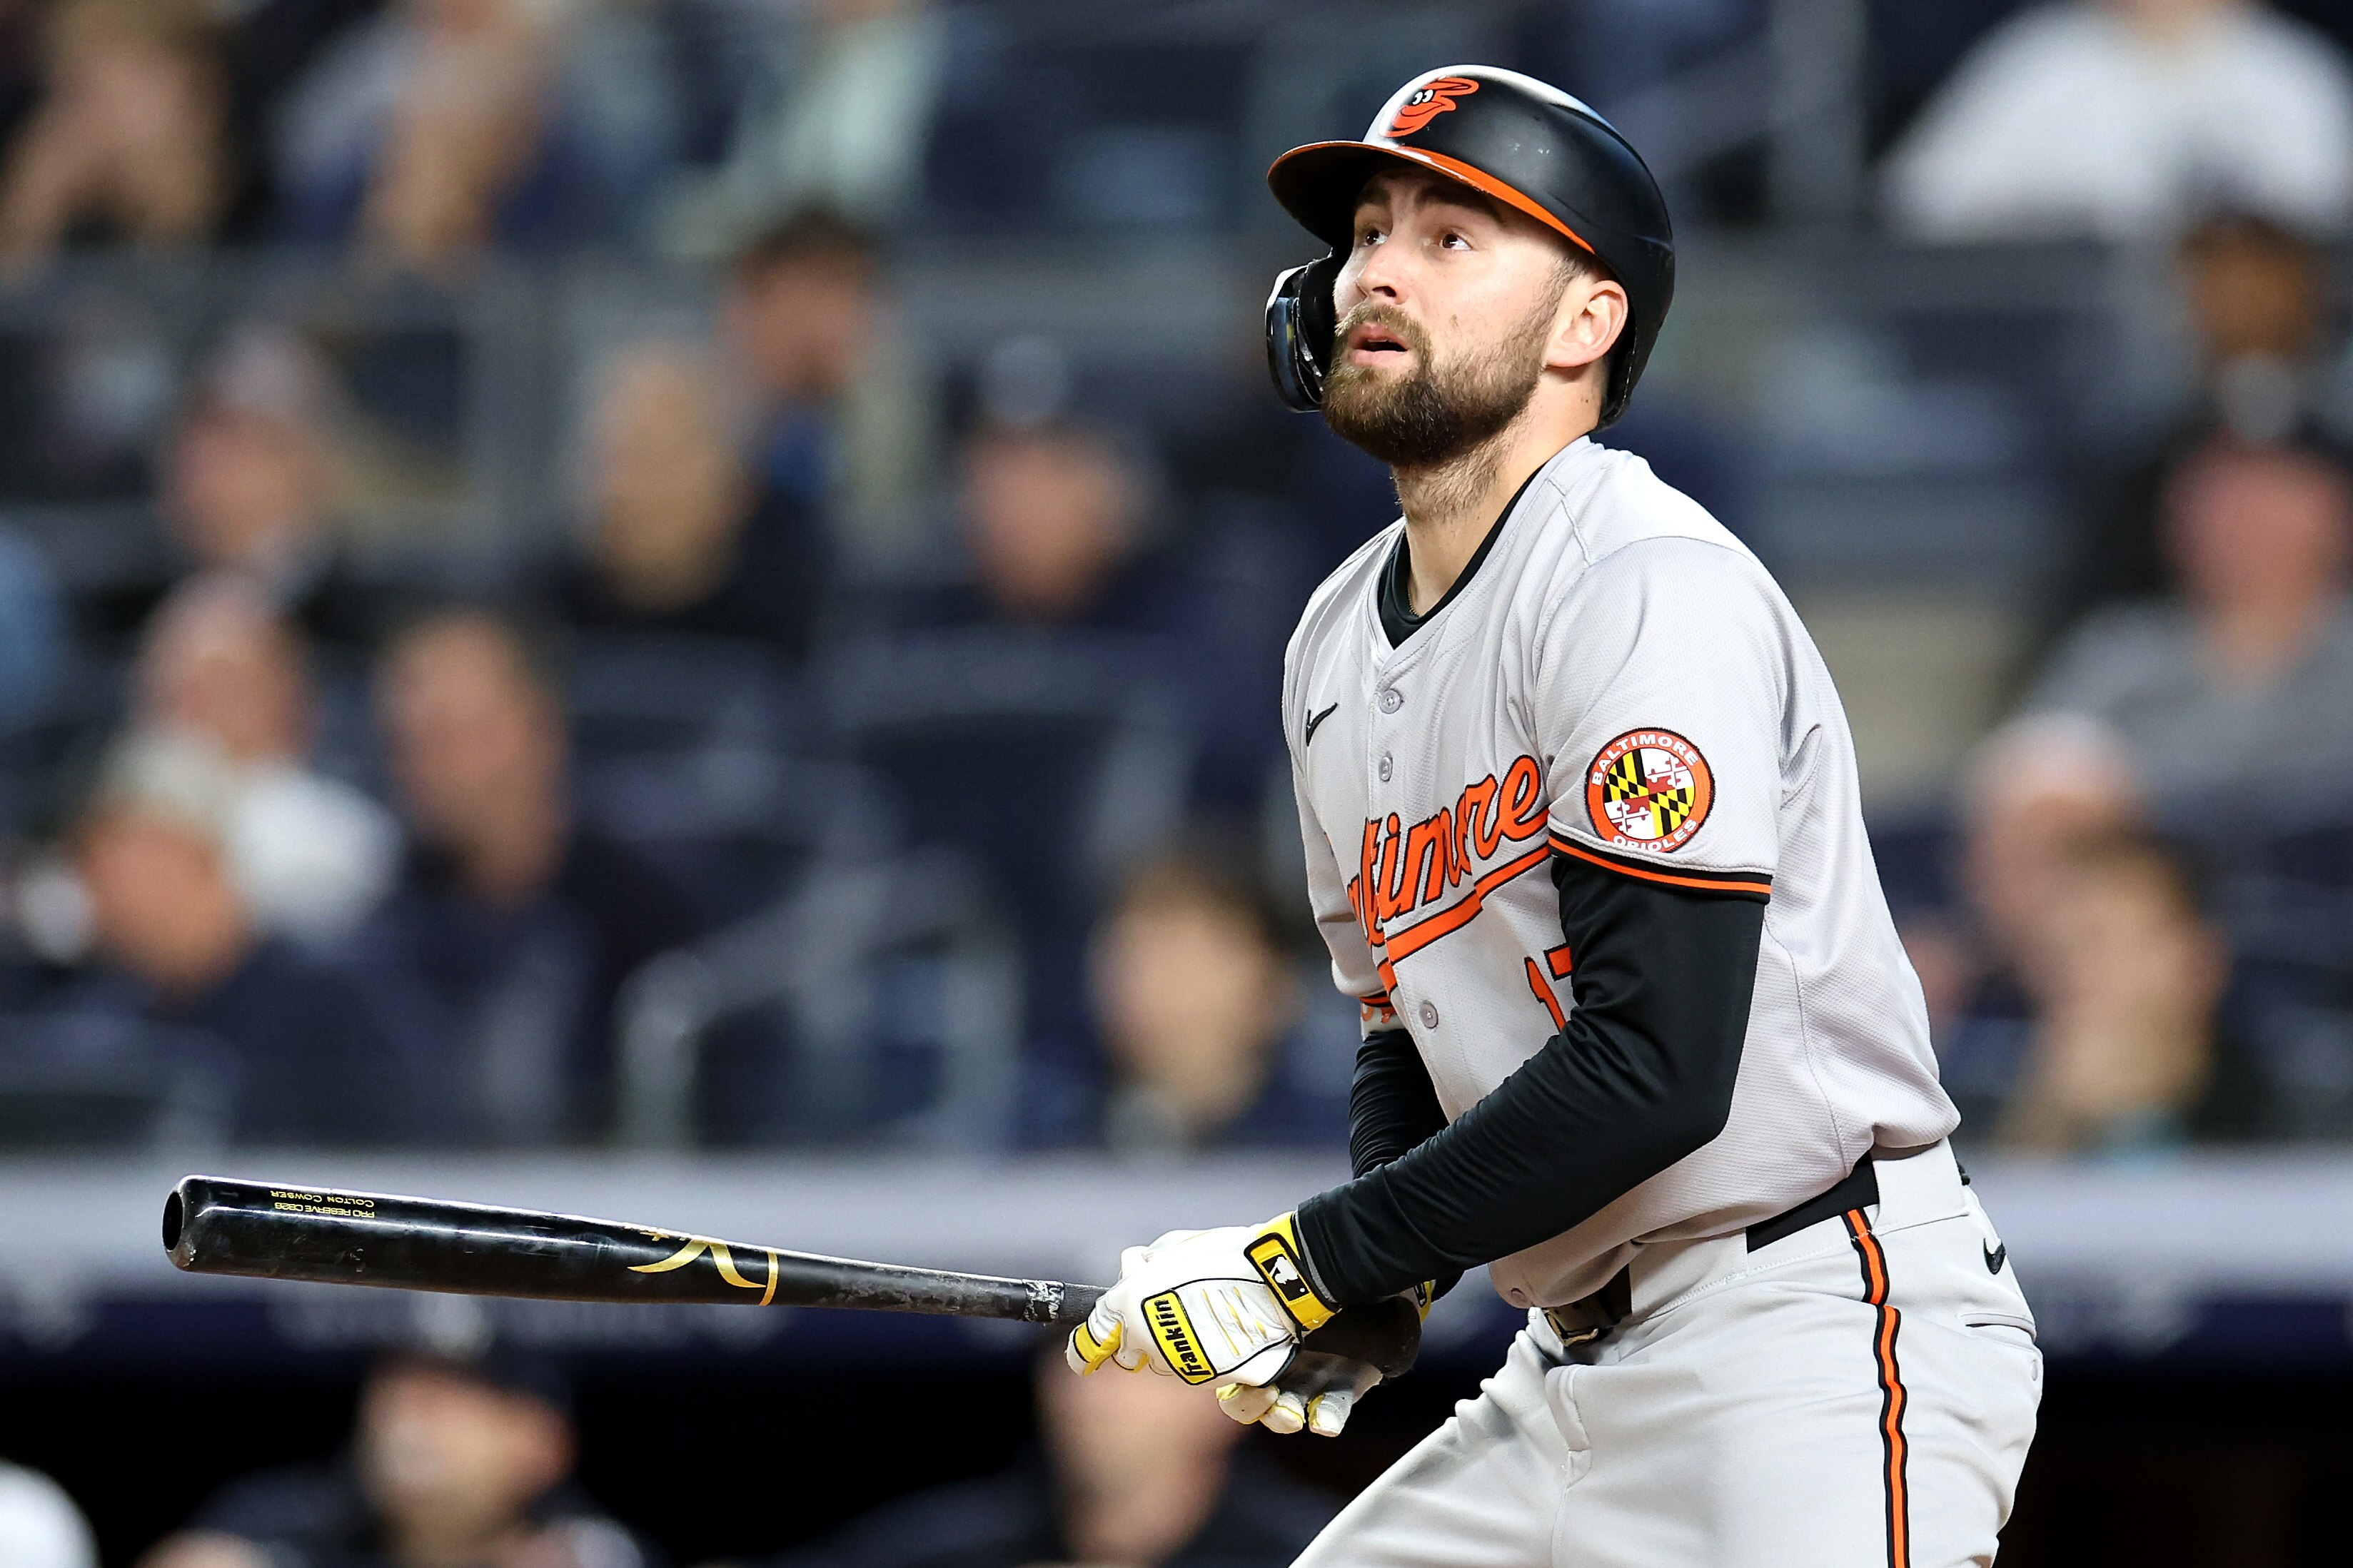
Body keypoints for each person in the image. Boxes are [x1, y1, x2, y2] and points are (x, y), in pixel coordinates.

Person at [1068, 66, 2040, 1568]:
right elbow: (1408, 1031)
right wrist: (1376, 1299)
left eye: (1452, 238)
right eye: (1370, 230)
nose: (1376, 266)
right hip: (1568, 1371)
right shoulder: (1331, 642)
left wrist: (1308, 1261)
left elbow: (1656, 1068)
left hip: (1805, 1327)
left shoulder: (1639, 583)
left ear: (1586, 322)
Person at [365, 607, 700, 1145]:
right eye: (406, 739)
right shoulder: (389, 919)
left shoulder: (643, 908)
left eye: (452, 734)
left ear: (541, 730)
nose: (423, 762)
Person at [71, 730, 411, 1145]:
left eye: (122, 856)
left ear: (199, 853)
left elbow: (411, 1162)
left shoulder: (331, 1001)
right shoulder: (115, 1024)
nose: (101, 888)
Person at [2021, 432, 2353, 819]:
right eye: (2218, 497)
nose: (2248, 520)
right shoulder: (2117, 652)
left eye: (2277, 494)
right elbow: (2030, 772)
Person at [2047, 211, 2346, 639]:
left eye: (2263, 283)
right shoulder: (2141, 483)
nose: (2242, 305)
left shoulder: (2336, 464)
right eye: (2219, 286)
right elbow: (2091, 625)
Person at [775, 1343, 1336, 1568]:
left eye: (1136, 1370)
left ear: (1233, 1401)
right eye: (1074, 1360)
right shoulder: (944, 1546)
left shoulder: (1323, 1552)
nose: (1090, 1397)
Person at [1883, 0, 2353, 243]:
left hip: (2257, 377)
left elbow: (2328, 230)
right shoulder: (2040, 64)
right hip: (2067, 370)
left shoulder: (2297, 78)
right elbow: (1918, 210)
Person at [137, 1350, 648, 1568]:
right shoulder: (286, 1523)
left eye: (454, 1392)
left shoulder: (581, 1545)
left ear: (542, 1443)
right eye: (398, 1382)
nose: (410, 1414)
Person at [133, 577, 400, 944]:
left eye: (224, 688)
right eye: (179, 691)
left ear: (291, 701)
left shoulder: (337, 837)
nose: (197, 714)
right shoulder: (115, 821)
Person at [550, 338, 823, 657]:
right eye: (608, 460)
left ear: (734, 482)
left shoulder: (806, 617)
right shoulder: (540, 619)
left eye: (652, 459)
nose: (620, 488)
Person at [1997, 831, 2264, 1152]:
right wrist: (2051, 1118)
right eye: (2053, 949)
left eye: (2097, 941)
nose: (2069, 971)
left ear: (2199, 960)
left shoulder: (2296, 1122)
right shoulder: (1987, 1105)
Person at [1086, 849, 1346, 1153]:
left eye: (1178, 951)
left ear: (1272, 979)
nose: (1142, 979)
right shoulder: (1053, 1129)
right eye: (1128, 949)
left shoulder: (1335, 1146)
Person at [722, 208, 929, 570]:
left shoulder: (914, 424)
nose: (819, 322)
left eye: (843, 291)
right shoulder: (698, 426)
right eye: (802, 292)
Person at [0, 0, 239, 272]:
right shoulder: (85, 228)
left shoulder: (259, 220)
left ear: (193, 89)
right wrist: (32, 209)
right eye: (73, 97)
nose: (85, 124)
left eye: (108, 97)